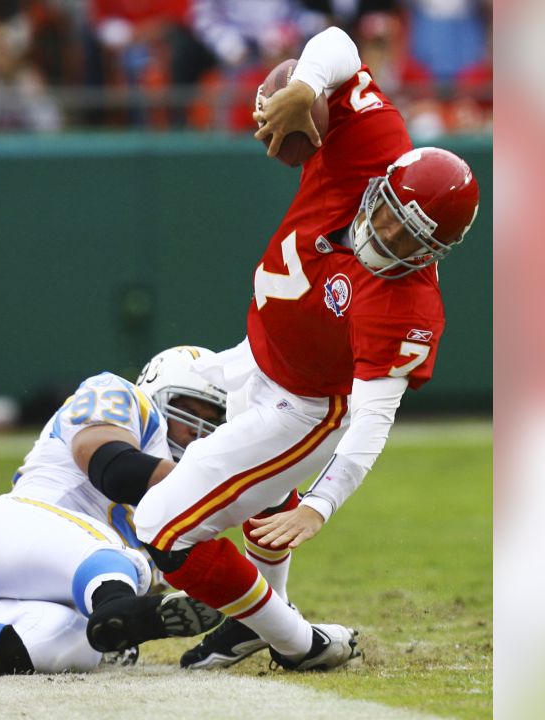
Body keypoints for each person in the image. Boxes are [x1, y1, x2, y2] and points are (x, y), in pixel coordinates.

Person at [86, 26, 480, 672]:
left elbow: (372, 422)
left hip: (307, 405)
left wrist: (321, 506)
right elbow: (339, 42)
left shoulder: (406, 306)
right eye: (384, 214)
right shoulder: (375, 145)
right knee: (165, 402)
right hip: (259, 350)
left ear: (434, 253)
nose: (383, 236)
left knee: (160, 523)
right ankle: (251, 620)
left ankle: (299, 642)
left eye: (406, 239)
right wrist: (304, 86)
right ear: (382, 185)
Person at [0, 346, 229, 674]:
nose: (197, 430)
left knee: (66, 641)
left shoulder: (190, 504)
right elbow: (112, 465)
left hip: (55, 588)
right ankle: (120, 607)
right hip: (13, 533)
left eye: (213, 421)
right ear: (157, 396)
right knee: (121, 564)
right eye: (187, 411)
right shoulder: (121, 395)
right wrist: (223, 486)